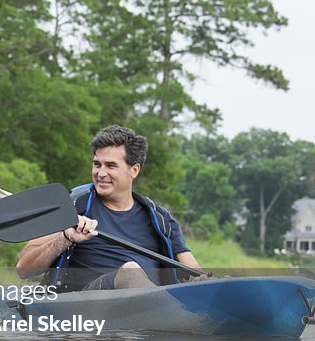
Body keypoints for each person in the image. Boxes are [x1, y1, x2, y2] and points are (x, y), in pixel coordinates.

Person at [16, 125, 205, 292]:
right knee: (130, 272)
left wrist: (212, 285)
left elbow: (194, 274)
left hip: (150, 306)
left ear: (134, 170)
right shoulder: (73, 207)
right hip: (87, 304)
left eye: (111, 166)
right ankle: (173, 316)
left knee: (210, 283)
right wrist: (65, 237)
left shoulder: (161, 219)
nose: (101, 173)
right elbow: (24, 268)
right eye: (97, 164)